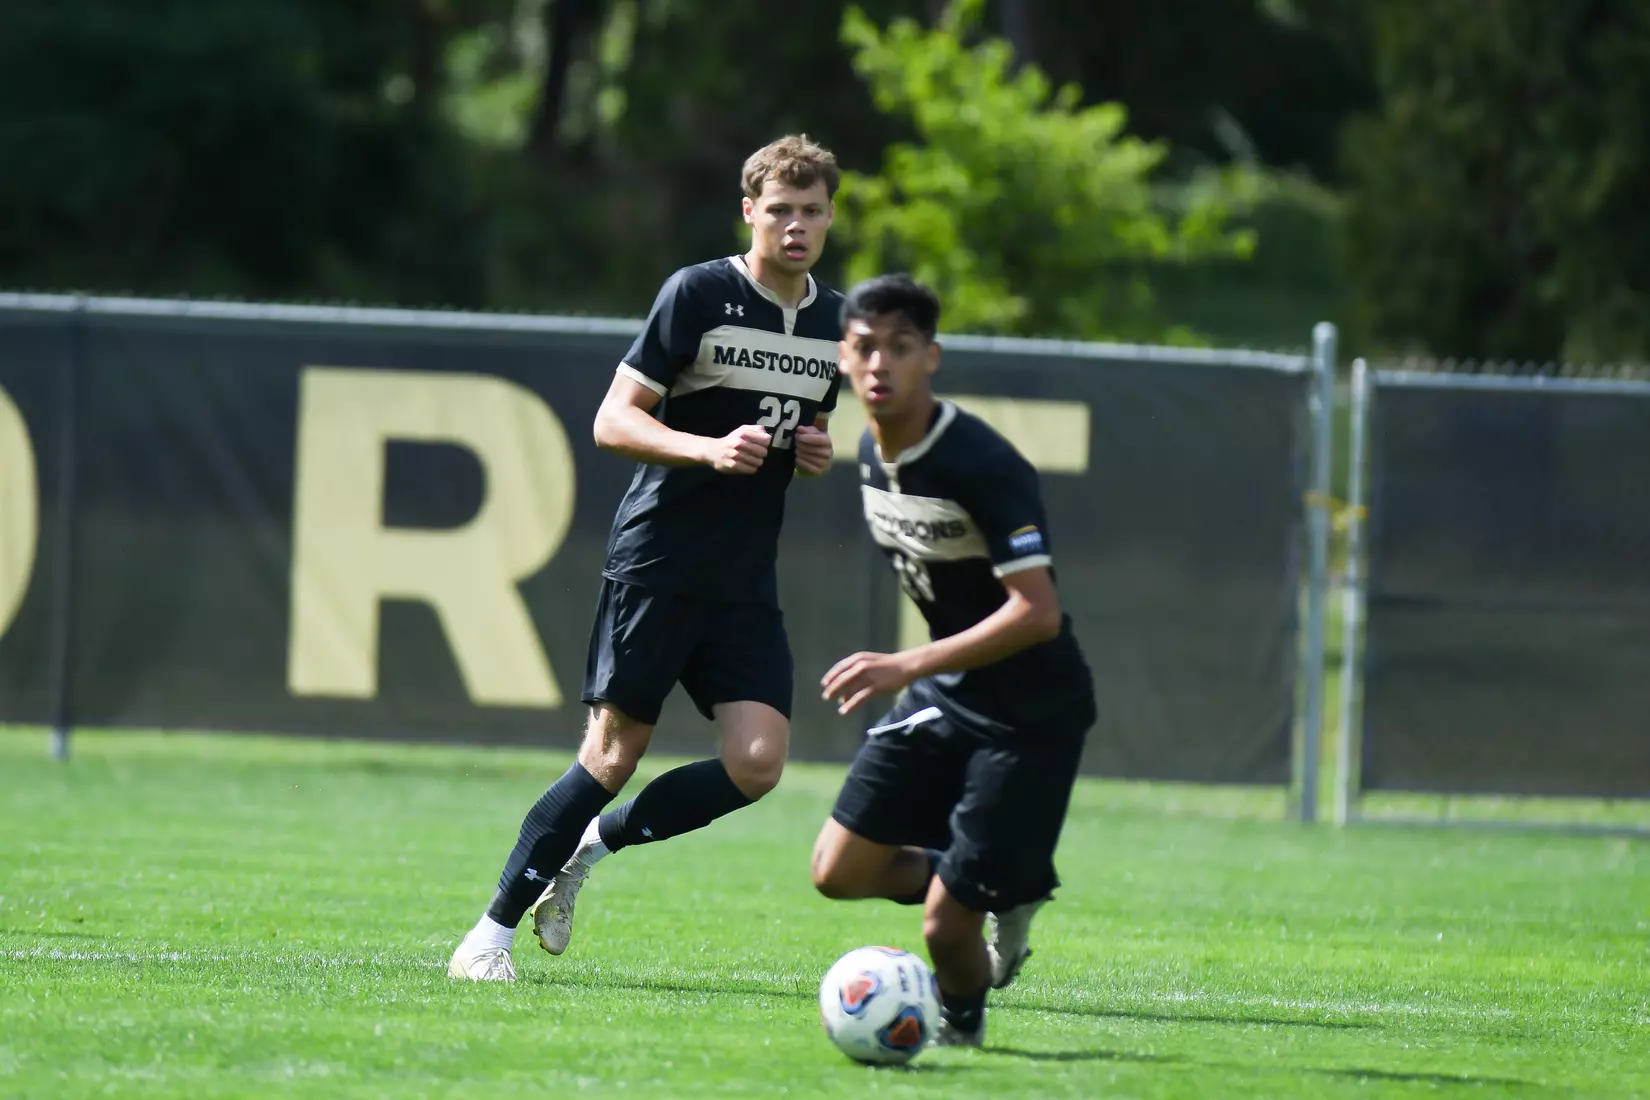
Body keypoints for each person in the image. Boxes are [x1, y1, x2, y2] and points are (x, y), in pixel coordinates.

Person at [449, 135, 846, 982]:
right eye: (780, 208)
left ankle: (591, 846)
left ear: (831, 216)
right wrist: (704, 450)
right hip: (661, 559)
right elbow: (612, 420)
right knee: (612, 756)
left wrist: (814, 451)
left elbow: (796, 433)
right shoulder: (699, 292)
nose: (796, 225)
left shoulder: (832, 323)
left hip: (741, 577)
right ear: (750, 211)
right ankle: (487, 937)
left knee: (758, 764)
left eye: (812, 210)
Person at [808, 273, 1096, 1046]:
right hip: (947, 692)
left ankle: (961, 1027)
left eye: (899, 349)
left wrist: (906, 664)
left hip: (1029, 714)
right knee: (838, 872)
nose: (879, 365)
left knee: (944, 931)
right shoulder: (870, 450)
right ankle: (999, 878)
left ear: (931, 358)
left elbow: (1038, 614)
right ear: (842, 356)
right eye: (865, 348)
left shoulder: (982, 463)